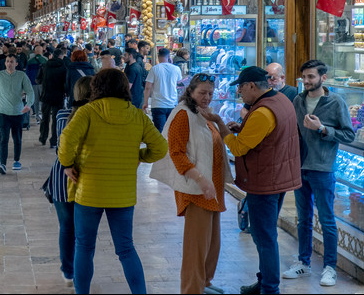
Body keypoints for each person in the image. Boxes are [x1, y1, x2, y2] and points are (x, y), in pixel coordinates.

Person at [58, 68, 168, 295]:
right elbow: (160, 147)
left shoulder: (87, 112)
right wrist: (140, 156)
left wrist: (68, 165)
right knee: (126, 248)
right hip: (123, 193)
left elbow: (67, 139)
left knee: (84, 247)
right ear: (124, 87)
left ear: (96, 87)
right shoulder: (137, 115)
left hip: (89, 191)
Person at [210, 66, 301, 295]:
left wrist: (222, 128)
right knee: (265, 235)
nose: (239, 92)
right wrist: (243, 128)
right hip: (278, 177)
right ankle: (264, 282)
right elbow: (272, 134)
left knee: (265, 237)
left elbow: (239, 148)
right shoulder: (280, 99)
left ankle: (270, 288)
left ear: (251, 85)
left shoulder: (262, 111)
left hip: (264, 182)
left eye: (240, 87)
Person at [283, 60, 355, 288]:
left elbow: (348, 135)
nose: (306, 81)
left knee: (326, 220)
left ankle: (330, 268)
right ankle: (303, 262)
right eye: (304, 77)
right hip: (300, 167)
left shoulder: (335, 102)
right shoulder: (298, 100)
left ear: (323, 78)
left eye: (311, 77)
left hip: (322, 169)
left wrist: (323, 129)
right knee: (303, 218)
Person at [157, 74, 227, 295]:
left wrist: (218, 120)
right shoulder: (182, 115)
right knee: (196, 247)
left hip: (212, 187)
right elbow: (176, 153)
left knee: (211, 242)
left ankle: (204, 282)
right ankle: (191, 289)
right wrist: (200, 179)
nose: (207, 97)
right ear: (190, 92)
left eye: (210, 93)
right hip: (197, 189)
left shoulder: (202, 114)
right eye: (202, 93)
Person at [45, 77, 93, 287]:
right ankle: (82, 270)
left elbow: (60, 147)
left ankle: (68, 271)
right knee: (83, 230)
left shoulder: (62, 115)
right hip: (86, 178)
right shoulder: (95, 117)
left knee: (66, 227)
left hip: (61, 178)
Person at [0, 53, 34, 174]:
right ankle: (3, 164)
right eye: (7, 61)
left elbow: (30, 91)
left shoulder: (21, 76)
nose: (9, 63)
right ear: (5, 63)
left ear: (16, 63)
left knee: (17, 138)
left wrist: (28, 104)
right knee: (4, 138)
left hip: (18, 112)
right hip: (3, 112)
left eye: (11, 61)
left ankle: (16, 160)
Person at [144, 47, 183, 132]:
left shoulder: (154, 69)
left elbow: (147, 87)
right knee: (171, 131)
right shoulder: (176, 69)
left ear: (158, 56)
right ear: (169, 56)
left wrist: (145, 102)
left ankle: (162, 145)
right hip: (172, 104)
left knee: (160, 131)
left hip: (158, 105)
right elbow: (179, 82)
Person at [39, 47, 69, 146]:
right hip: (58, 96)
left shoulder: (45, 66)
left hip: (46, 94)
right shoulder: (63, 67)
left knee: (45, 118)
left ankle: (43, 137)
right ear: (61, 56)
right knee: (56, 118)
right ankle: (54, 140)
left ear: (52, 55)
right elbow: (66, 83)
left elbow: (37, 80)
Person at [26, 43, 47, 118]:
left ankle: (37, 114)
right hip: (43, 83)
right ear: (42, 51)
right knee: (42, 99)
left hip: (33, 82)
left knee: (36, 100)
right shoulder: (45, 60)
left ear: (34, 52)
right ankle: (42, 113)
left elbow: (27, 73)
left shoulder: (30, 61)